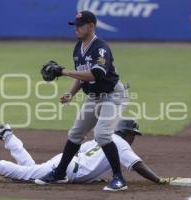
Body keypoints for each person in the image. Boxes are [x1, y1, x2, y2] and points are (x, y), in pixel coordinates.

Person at [35, 10, 130, 191]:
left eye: (80, 25)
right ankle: (60, 173)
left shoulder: (101, 48)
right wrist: (71, 93)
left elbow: (96, 74)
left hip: (113, 95)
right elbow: (81, 77)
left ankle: (119, 178)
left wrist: (64, 71)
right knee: (75, 133)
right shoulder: (78, 48)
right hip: (94, 97)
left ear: (91, 26)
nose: (76, 28)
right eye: (75, 25)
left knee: (102, 135)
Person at [0, 120, 174, 187]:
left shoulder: (103, 138)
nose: (134, 137)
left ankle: (7, 136)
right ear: (126, 133)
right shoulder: (120, 144)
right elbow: (137, 165)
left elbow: (88, 155)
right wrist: (158, 180)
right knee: (23, 175)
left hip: (66, 164)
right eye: (133, 134)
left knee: (29, 170)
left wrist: (93, 176)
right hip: (68, 169)